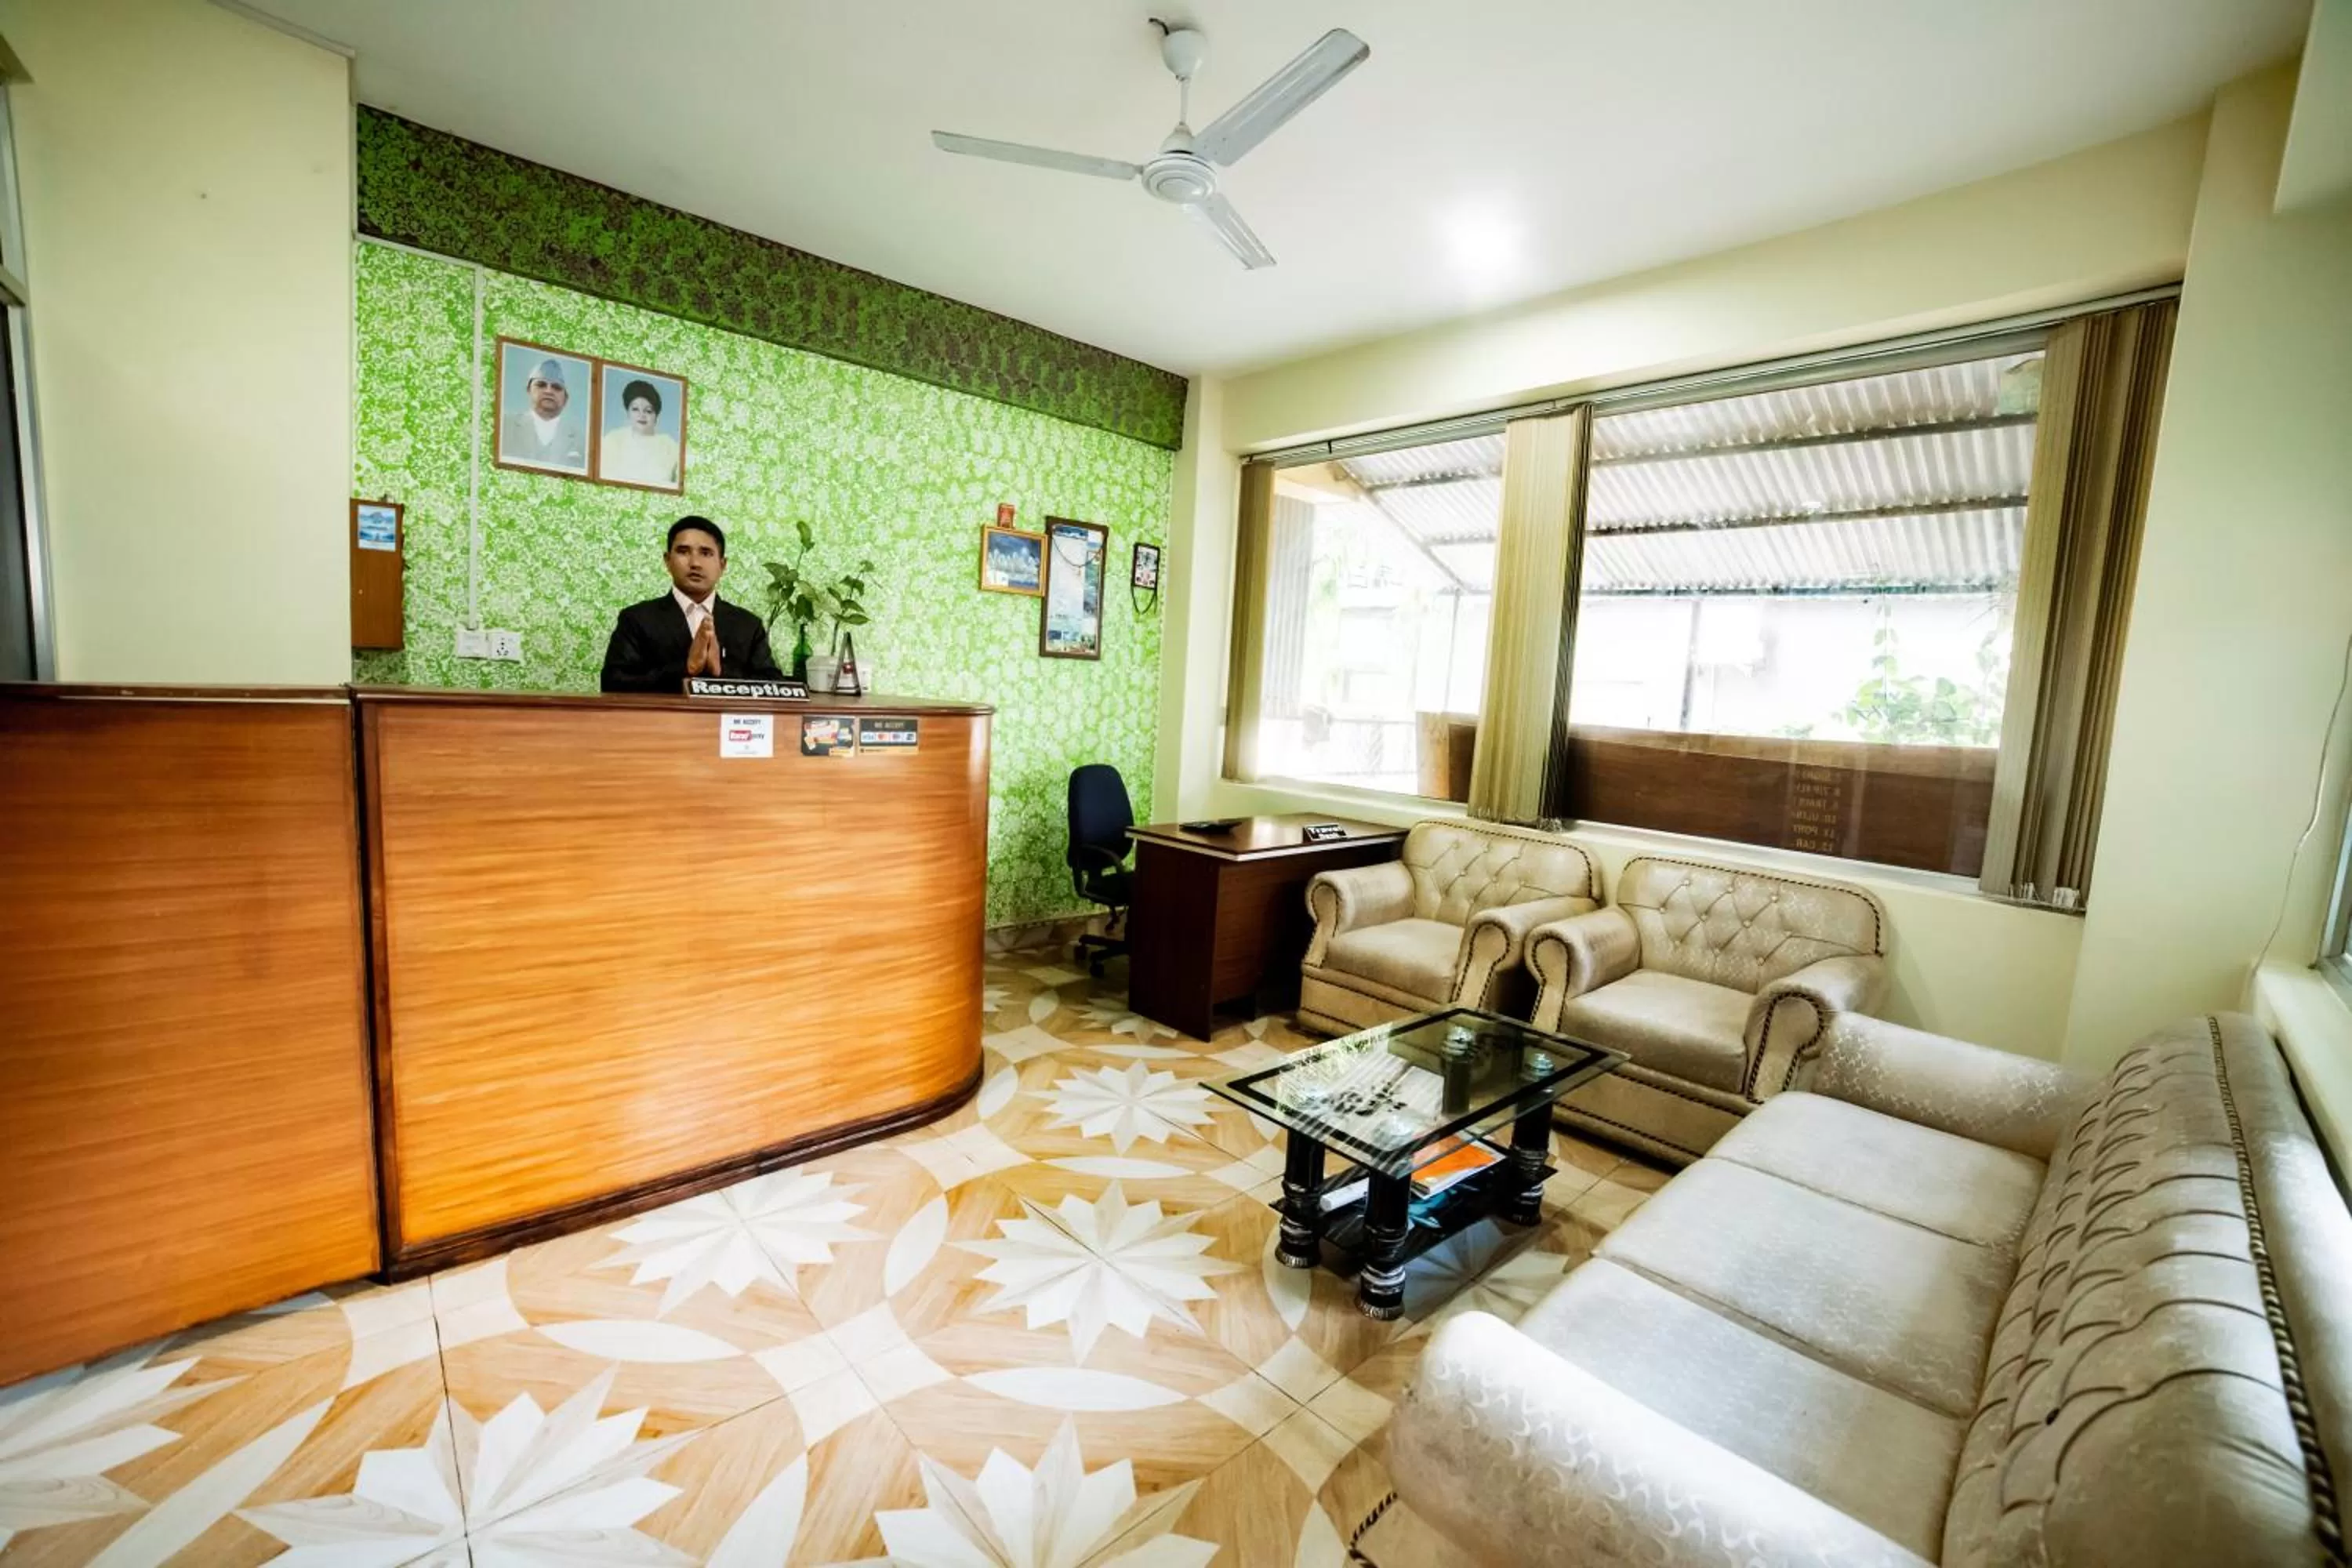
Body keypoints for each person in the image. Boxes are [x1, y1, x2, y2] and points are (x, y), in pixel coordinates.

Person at [600, 517, 782, 691]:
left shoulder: (748, 625)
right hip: (661, 723)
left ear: (722, 565)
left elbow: (773, 684)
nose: (695, 563)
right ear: (667, 561)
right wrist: (686, 668)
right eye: (683, 551)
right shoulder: (636, 619)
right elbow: (613, 683)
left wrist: (721, 671)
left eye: (706, 553)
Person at [499, 356, 589, 471]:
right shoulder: (504, 426)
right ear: (529, 390)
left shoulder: (582, 442)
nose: (548, 391)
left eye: (556, 387)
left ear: (566, 398)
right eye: (541, 385)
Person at [599, 377, 681, 487]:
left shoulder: (670, 446)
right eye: (635, 409)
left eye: (648, 411)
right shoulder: (613, 440)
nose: (641, 415)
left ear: (656, 416)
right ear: (628, 413)